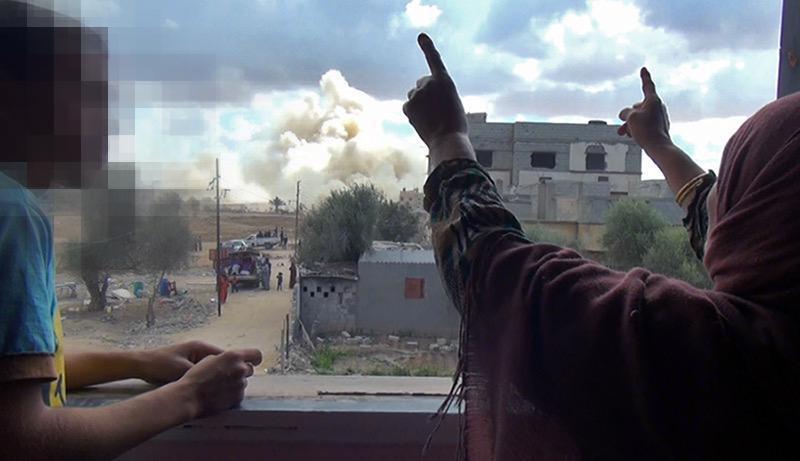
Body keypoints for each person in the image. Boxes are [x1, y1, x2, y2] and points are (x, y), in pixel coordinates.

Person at [404, 33, 800, 460]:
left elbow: (496, 274)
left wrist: (447, 137)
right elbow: (724, 222)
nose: (719, 199)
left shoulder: (705, 357)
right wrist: (659, 144)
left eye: (736, 184)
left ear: (761, 218)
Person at [0, 4, 261, 459]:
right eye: (88, 95)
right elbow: (22, 438)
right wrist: (191, 396)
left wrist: (140, 361)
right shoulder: (13, 216)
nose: (109, 121)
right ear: (13, 99)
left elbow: (22, 373)